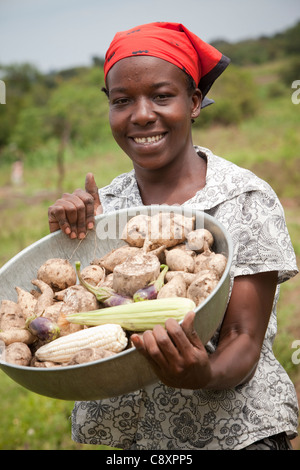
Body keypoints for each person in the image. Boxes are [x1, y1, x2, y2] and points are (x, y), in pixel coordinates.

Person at [48, 22, 299, 450]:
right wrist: (70, 239)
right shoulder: (106, 204)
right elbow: (75, 313)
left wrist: (202, 374)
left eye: (162, 96)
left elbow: (243, 336)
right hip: (132, 443)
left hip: (233, 435)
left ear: (195, 102)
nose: (142, 114)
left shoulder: (244, 198)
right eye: (123, 100)